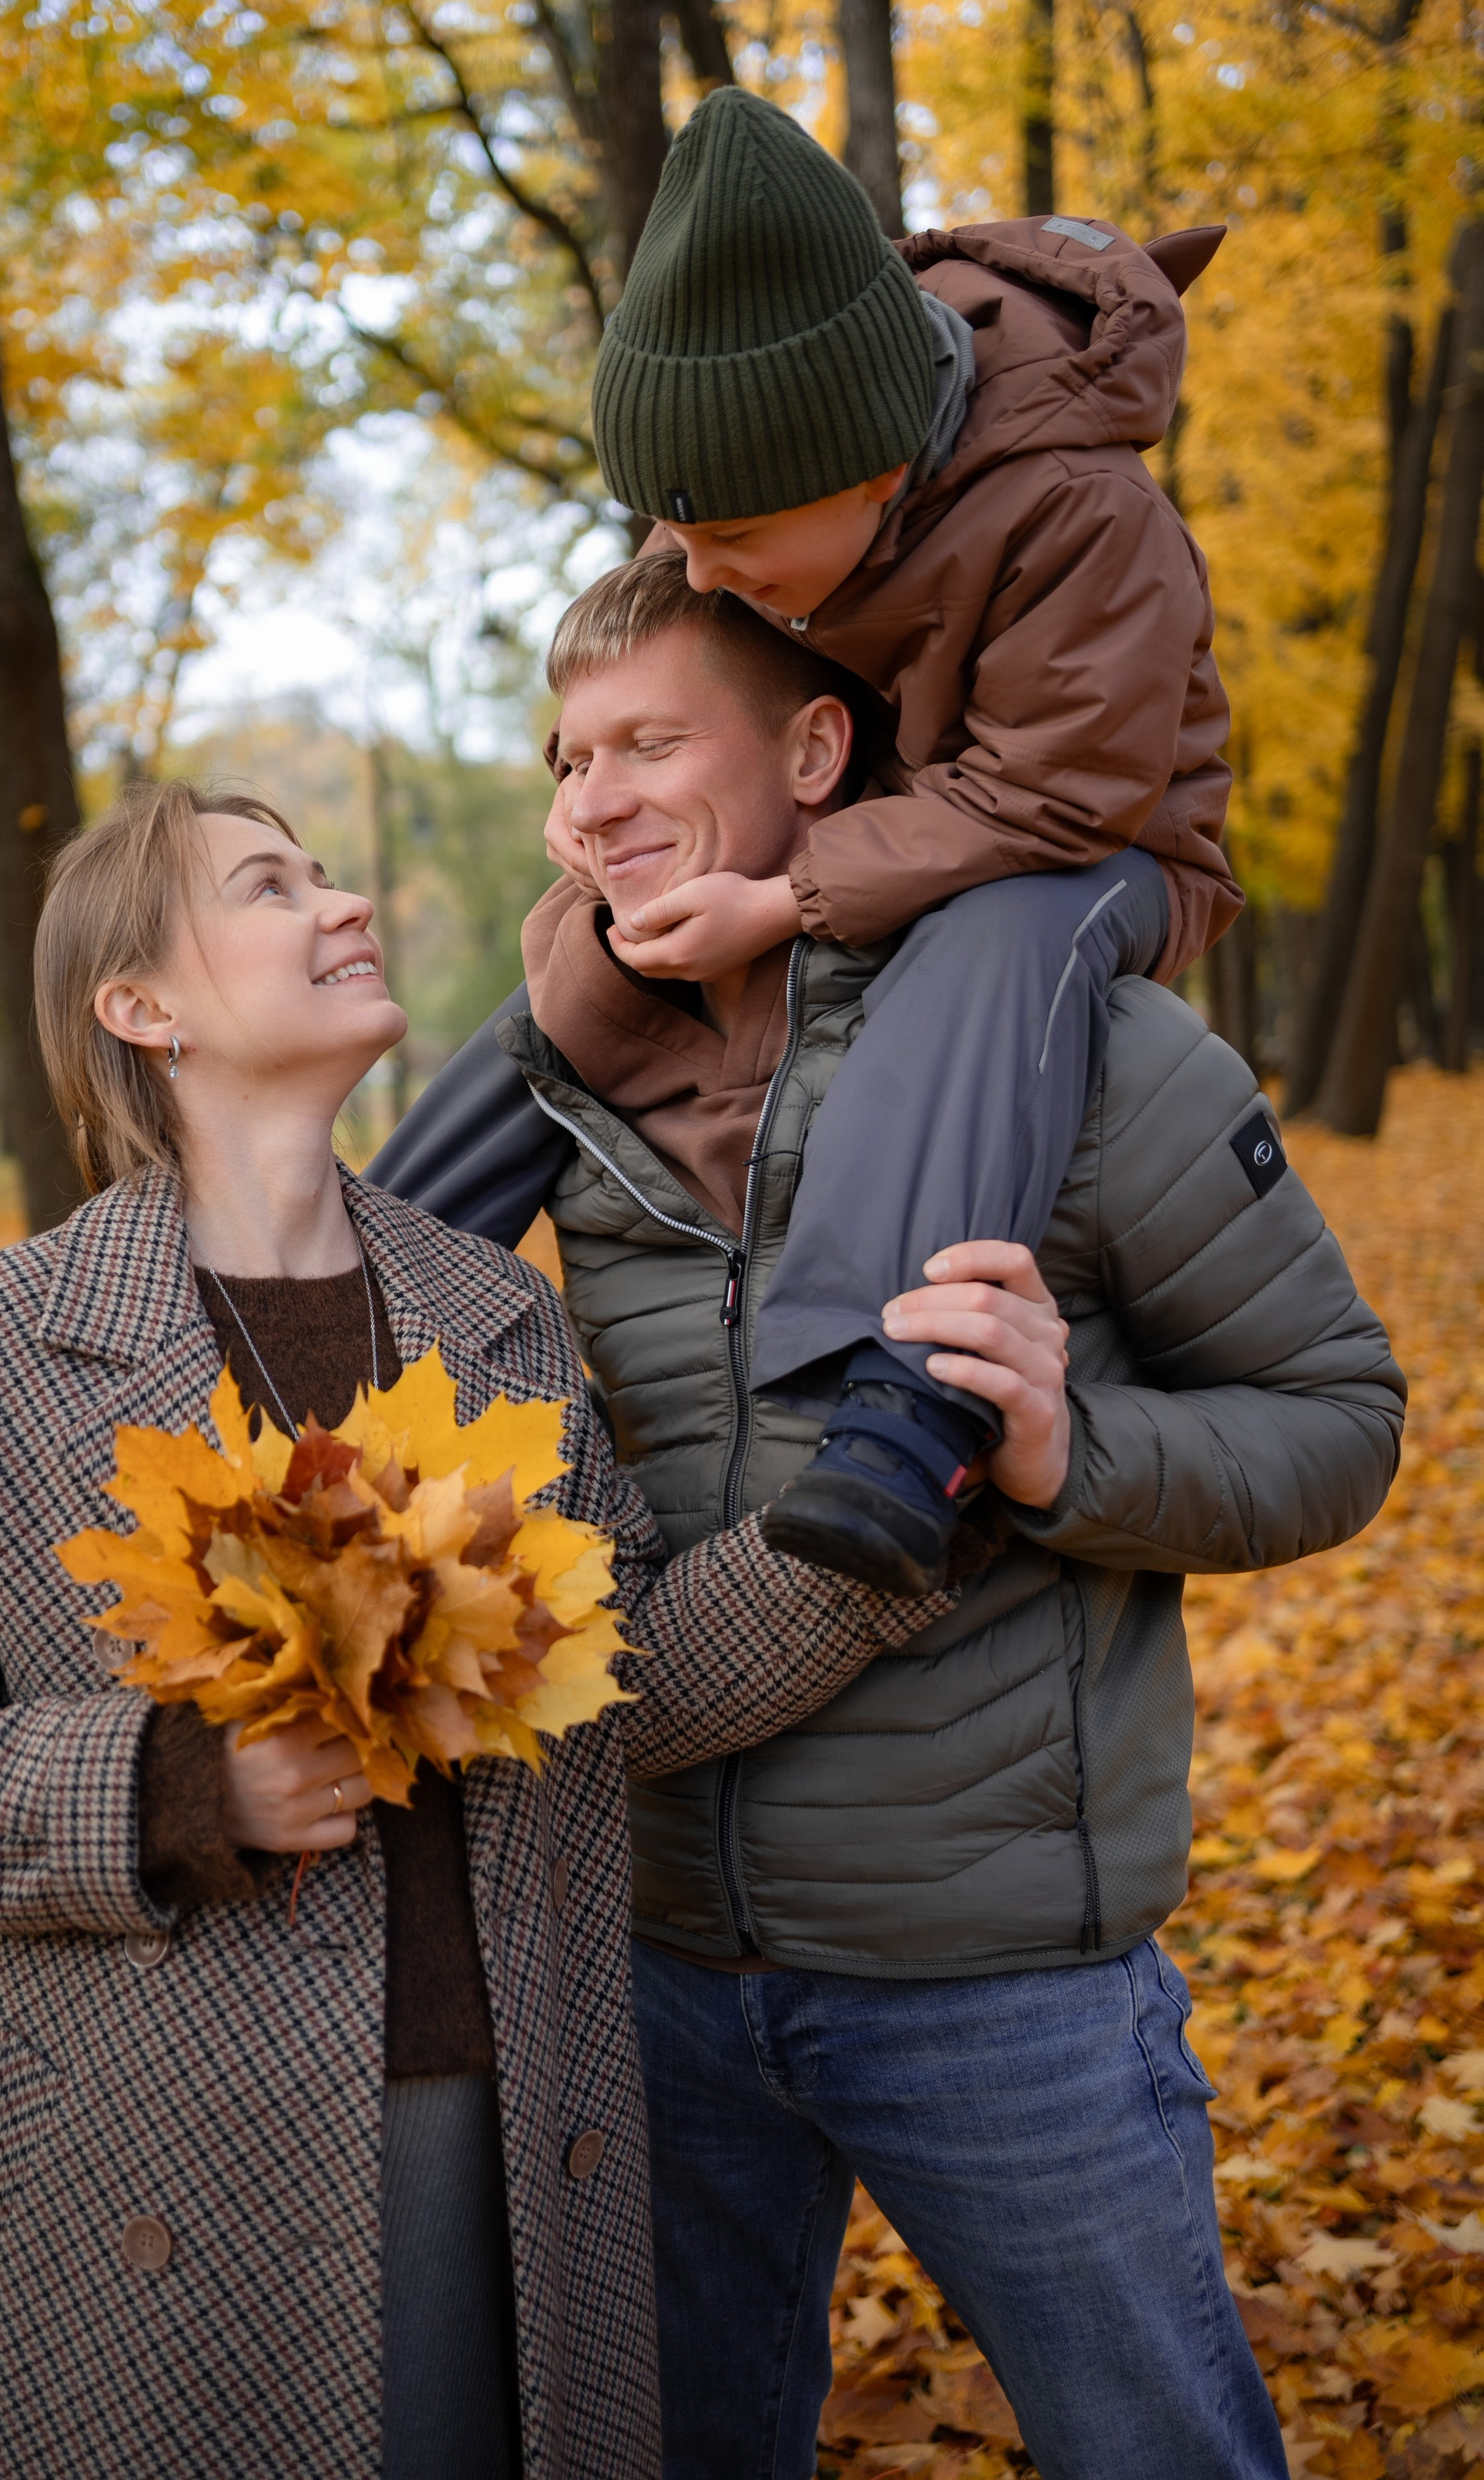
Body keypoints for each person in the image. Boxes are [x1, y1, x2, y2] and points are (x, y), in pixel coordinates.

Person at [0, 780, 980, 2480]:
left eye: (329, 874)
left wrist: (879, 1514)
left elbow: (610, 1681)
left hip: (490, 2135)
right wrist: (174, 1790)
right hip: (146, 2172)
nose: (340, 906)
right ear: (141, 1008)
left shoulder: (492, 1315)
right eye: (272, 885)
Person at [370, 574, 1406, 2480]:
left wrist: (1064, 1451)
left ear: (818, 751)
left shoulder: (1083, 1051)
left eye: (649, 745)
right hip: (660, 1967)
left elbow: (1339, 1422)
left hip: (1006, 1987)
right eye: (565, 760)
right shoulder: (554, 1103)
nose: (589, 805)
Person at [393, 88, 1242, 1604]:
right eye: (676, 536)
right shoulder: (740, 493)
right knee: (592, 950)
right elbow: (659, 636)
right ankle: (356, 1277)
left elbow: (1056, 797)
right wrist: (585, 792)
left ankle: (911, 1399)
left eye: (728, 550)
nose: (697, 575)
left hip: (1096, 848)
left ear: (867, 475)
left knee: (998, 935)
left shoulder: (1077, 514)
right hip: (864, 817)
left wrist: (783, 896)